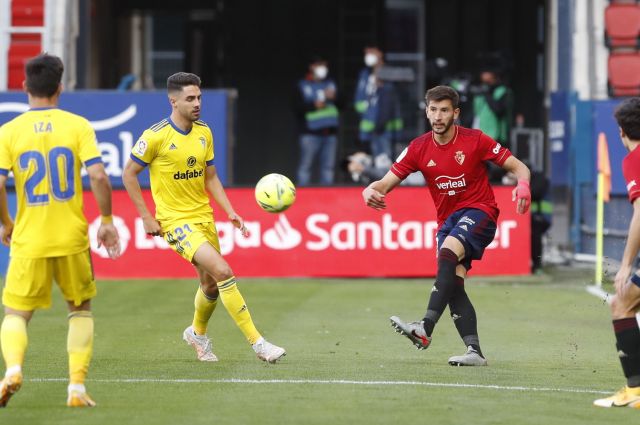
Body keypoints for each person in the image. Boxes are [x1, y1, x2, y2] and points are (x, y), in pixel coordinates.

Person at [122, 72, 285, 365]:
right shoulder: (156, 135)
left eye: (199, 97)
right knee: (223, 271)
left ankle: (197, 334)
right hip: (175, 221)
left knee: (210, 285)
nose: (197, 103)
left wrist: (230, 211)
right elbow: (128, 174)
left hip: (203, 218)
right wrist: (146, 216)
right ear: (172, 101)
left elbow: (210, 177)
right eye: (190, 98)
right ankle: (259, 344)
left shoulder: (204, 132)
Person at [362, 85, 530, 366]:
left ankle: (424, 327)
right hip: (447, 221)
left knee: (448, 253)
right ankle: (474, 352)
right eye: (433, 110)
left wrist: (523, 185)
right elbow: (385, 183)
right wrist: (370, 189)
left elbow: (519, 166)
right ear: (426, 112)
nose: (438, 116)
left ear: (455, 113)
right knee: (453, 284)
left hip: (481, 211)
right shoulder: (418, 148)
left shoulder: (476, 140)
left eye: (444, 110)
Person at [0, 54, 121, 408]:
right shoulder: (78, 125)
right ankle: (77, 388)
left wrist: (6, 224)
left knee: (16, 314)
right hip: (71, 237)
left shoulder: (8, 131)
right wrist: (108, 221)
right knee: (80, 310)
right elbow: (98, 176)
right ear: (60, 87)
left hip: (28, 238)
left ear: (24, 87)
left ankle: (13, 370)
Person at [593, 97, 640, 409]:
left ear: (622, 131)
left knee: (621, 304)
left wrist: (625, 264)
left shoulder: (633, 159)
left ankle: (635, 389)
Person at [295, 57, 339, 186]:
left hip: (330, 133)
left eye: (324, 65)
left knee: (328, 168)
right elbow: (296, 107)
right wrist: (314, 105)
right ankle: (302, 197)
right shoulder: (302, 85)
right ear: (312, 66)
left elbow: (343, 103)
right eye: (319, 65)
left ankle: (327, 200)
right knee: (305, 166)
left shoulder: (331, 83)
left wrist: (335, 97)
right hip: (310, 133)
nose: (323, 68)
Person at [354, 46, 403, 159]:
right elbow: (359, 100)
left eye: (371, 52)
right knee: (370, 164)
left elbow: (389, 102)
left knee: (385, 164)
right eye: (366, 53)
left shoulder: (390, 73)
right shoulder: (364, 74)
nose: (368, 55)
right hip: (368, 128)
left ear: (380, 53)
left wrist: (382, 84)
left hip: (386, 128)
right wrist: (366, 113)